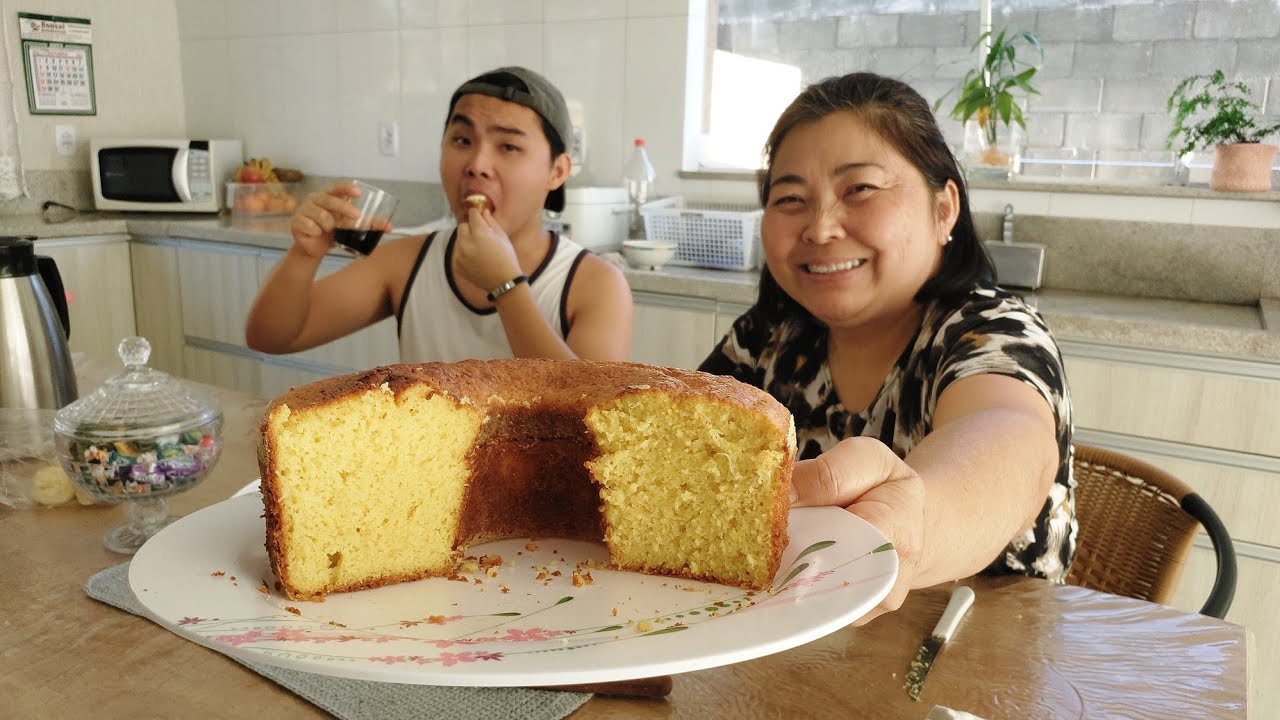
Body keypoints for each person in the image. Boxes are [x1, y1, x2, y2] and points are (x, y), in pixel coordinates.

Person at [700, 73, 1074, 624]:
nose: (821, 228)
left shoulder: (990, 332)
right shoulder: (770, 338)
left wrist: (914, 516)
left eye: (861, 189)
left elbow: (1009, 434)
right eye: (790, 198)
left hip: (967, 662)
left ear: (944, 208)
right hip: (788, 655)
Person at [245, 67, 633, 363]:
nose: (478, 164)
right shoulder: (407, 261)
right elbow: (272, 338)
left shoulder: (595, 285)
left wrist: (506, 288)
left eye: (509, 147)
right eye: (462, 140)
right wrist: (304, 255)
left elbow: (588, 423)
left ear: (558, 171)